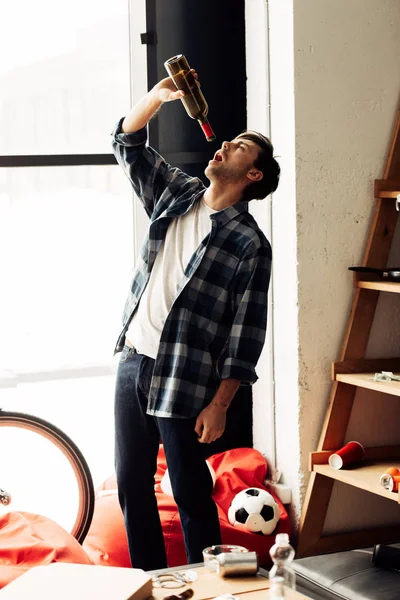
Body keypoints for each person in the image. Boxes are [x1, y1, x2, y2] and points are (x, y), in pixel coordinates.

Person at [112, 72, 280, 571]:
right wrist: (159, 97)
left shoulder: (249, 245)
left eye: (242, 147)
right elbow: (127, 143)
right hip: (133, 363)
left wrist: (221, 403)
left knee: (189, 490)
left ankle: (209, 585)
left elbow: (245, 337)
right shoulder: (177, 194)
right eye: (230, 140)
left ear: (254, 176)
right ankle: (150, 580)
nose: (226, 145)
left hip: (187, 379)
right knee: (131, 487)